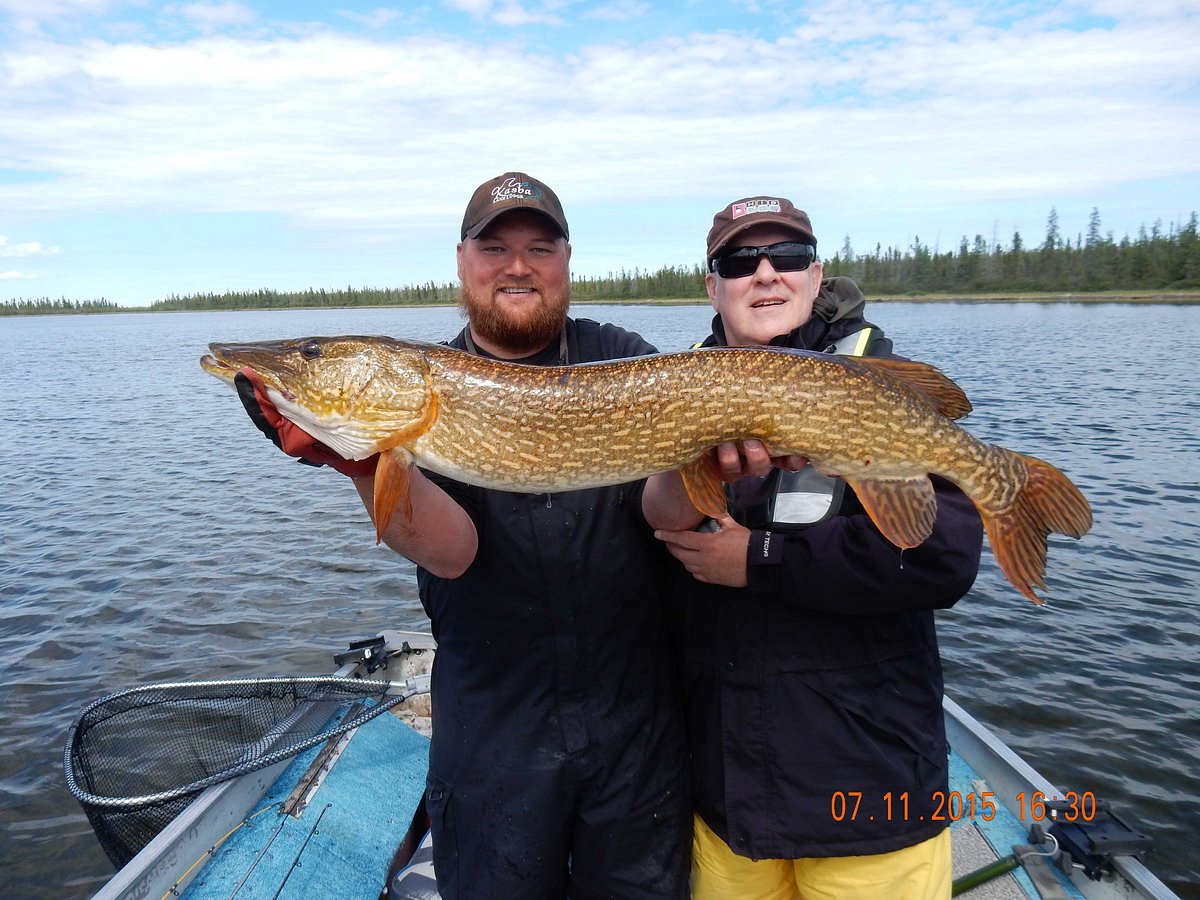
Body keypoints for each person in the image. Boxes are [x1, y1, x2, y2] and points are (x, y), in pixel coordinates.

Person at [235, 172, 690, 899]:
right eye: (495, 248)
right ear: (461, 262)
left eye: (539, 248)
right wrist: (362, 465)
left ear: (565, 261)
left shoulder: (622, 355)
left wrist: (710, 461)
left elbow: (670, 513)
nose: (517, 265)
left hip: (634, 721)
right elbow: (452, 553)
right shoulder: (426, 393)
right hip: (494, 727)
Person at [643, 197, 985, 899]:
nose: (765, 274)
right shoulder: (675, 388)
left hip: (867, 795)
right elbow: (646, 546)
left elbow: (942, 554)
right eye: (741, 262)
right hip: (730, 797)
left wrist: (761, 563)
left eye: (787, 257)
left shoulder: (875, 376)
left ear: (815, 273)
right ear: (713, 286)